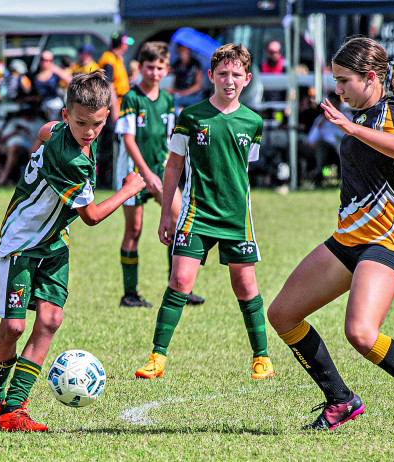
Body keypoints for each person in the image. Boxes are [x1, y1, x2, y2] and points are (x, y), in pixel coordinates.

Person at [266, 37, 394, 435]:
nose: (338, 89)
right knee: (283, 314)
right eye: (335, 80)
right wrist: (352, 126)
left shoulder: (389, 112)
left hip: (388, 241)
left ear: (371, 77)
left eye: (344, 80)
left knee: (360, 332)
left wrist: (349, 128)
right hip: (349, 239)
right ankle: (340, 401)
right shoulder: (364, 117)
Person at [0, 70, 146, 433]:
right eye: (81, 123)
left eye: (96, 124)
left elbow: (46, 130)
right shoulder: (71, 159)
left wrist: (39, 153)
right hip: (21, 242)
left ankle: (14, 410)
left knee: (50, 320)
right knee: (13, 327)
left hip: (54, 241)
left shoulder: (62, 130)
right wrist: (129, 189)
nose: (89, 132)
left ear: (107, 116)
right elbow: (91, 216)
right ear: (67, 115)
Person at [135, 43, 274, 380]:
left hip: (236, 217)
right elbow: (173, 166)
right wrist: (166, 213)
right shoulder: (191, 116)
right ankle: (157, 356)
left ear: (247, 79)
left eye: (236, 74)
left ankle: (262, 357)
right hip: (196, 213)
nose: (229, 80)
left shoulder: (253, 122)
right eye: (223, 73)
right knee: (180, 280)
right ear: (210, 76)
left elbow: (243, 167)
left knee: (245, 285)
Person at [115, 41, 204, 308]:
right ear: (141, 67)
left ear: (167, 70)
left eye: (159, 68)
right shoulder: (132, 98)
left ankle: (178, 287)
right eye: (150, 67)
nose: (154, 73)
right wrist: (146, 173)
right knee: (134, 229)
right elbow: (128, 140)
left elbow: (169, 138)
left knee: (179, 221)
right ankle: (129, 294)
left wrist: (168, 166)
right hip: (133, 173)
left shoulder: (166, 99)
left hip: (159, 169)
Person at [97, 33, 133, 189]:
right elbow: (109, 86)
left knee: (113, 145)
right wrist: (116, 111)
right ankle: (104, 181)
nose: (127, 46)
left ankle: (111, 179)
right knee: (108, 146)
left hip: (120, 104)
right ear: (120, 44)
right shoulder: (109, 60)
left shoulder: (117, 59)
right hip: (112, 108)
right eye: (125, 43)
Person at [0, 104, 47, 187]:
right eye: (25, 113)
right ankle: (2, 176)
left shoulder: (40, 123)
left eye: (29, 113)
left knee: (14, 147)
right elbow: (1, 139)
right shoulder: (15, 122)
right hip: (8, 145)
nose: (27, 115)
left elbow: (44, 140)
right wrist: (14, 132)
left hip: (29, 147)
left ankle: (4, 179)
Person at [31, 50, 73, 121]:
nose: (45, 62)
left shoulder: (54, 72)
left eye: (48, 60)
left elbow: (71, 81)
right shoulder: (35, 74)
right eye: (43, 59)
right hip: (41, 108)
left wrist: (57, 70)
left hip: (55, 106)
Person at [170, 44, 203, 114]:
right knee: (171, 104)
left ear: (188, 50)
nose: (182, 51)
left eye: (183, 49)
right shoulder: (177, 64)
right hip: (179, 96)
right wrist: (175, 91)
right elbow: (175, 80)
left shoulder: (196, 64)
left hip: (194, 96)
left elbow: (198, 85)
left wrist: (183, 93)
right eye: (180, 49)